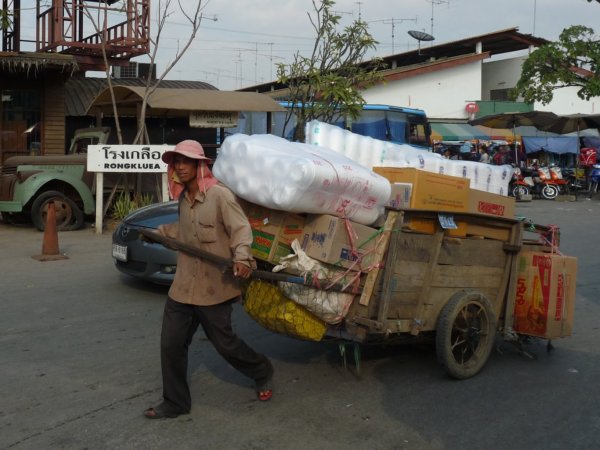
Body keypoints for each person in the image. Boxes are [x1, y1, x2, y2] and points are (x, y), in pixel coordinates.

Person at [143, 140, 274, 420]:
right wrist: (160, 232)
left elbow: (240, 231)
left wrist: (243, 258)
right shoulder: (183, 199)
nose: (180, 166)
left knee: (225, 344)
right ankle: (176, 402)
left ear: (200, 165)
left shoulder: (220, 196)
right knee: (171, 344)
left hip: (215, 287)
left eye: (186, 161)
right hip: (182, 288)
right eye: (176, 161)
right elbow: (185, 233)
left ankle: (261, 370)